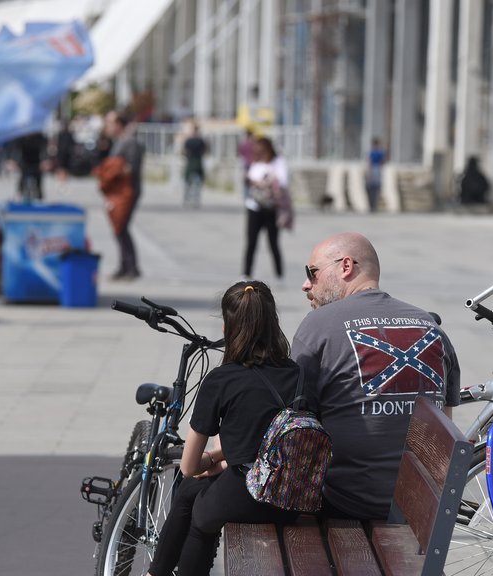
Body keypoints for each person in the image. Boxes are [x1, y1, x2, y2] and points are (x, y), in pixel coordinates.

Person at [290, 232, 461, 520]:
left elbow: (293, 420)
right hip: (416, 510)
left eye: (313, 272)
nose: (306, 284)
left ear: (346, 267)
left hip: (344, 506)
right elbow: (444, 423)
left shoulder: (318, 325)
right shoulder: (430, 327)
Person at [145, 280, 302, 576]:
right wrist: (220, 460)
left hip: (251, 497)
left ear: (227, 330)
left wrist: (210, 460)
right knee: (197, 493)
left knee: (195, 505)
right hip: (293, 498)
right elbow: (266, 441)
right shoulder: (299, 374)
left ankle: (157, 572)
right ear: (274, 323)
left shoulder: (222, 380)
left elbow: (190, 466)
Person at [102, 110, 144, 280]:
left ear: (119, 124)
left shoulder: (130, 142)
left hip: (127, 192)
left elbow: (130, 168)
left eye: (110, 123)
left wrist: (111, 172)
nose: (107, 126)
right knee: (119, 229)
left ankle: (131, 267)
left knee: (121, 228)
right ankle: (125, 266)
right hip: (117, 192)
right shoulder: (118, 142)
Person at [242, 137, 291, 280]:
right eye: (257, 151)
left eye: (262, 151)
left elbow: (283, 181)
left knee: (273, 242)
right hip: (254, 206)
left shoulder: (278, 162)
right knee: (251, 242)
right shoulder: (255, 163)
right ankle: (246, 272)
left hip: (271, 207)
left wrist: (267, 181)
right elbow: (249, 179)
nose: (259, 154)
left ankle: (279, 273)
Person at [181, 121, 208, 208]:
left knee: (188, 182)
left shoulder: (189, 140)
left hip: (191, 162)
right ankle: (195, 199)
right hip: (197, 163)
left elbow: (184, 151)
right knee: (197, 183)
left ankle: (187, 198)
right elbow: (204, 151)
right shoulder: (200, 141)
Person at [365, 137, 387, 212]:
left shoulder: (372, 152)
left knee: (373, 189)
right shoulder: (380, 152)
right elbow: (383, 162)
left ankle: (373, 205)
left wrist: (369, 173)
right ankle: (373, 205)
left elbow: (369, 162)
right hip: (377, 170)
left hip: (374, 170)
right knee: (374, 189)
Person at [237, 128, 256, 200]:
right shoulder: (254, 144)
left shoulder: (243, 144)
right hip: (253, 164)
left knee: (246, 182)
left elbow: (239, 153)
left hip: (245, 164)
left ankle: (246, 196)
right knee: (252, 182)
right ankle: (250, 196)